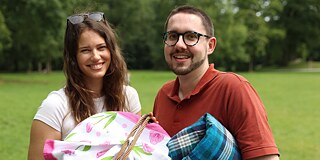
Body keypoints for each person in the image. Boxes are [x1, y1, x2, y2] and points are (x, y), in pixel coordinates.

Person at [153, 5, 280, 160]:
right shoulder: (163, 95)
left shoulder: (234, 88)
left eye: (191, 36)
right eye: (172, 36)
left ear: (210, 46)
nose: (179, 44)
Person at [28, 12, 142, 160]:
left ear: (111, 51)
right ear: (73, 57)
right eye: (85, 50)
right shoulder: (55, 106)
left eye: (101, 47)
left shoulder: (128, 97)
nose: (95, 56)